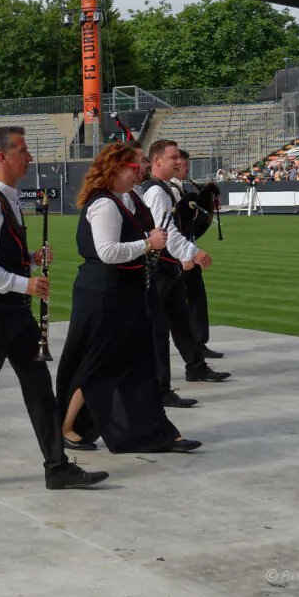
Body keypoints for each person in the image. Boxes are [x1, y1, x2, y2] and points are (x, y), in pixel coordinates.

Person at [0, 127, 108, 492]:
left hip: (13, 311)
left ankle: (57, 466)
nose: (29, 157)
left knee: (39, 388)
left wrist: (25, 260)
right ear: (3, 157)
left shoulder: (7, 199)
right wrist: (23, 282)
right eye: (23, 151)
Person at [55, 144, 201, 454]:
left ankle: (155, 432)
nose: (144, 169)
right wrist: (148, 243)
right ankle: (66, 426)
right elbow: (107, 252)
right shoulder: (106, 204)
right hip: (106, 293)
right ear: (120, 168)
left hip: (124, 291)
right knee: (98, 362)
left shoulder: (127, 198)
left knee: (136, 363)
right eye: (139, 165)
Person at [143, 140, 228, 408]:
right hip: (160, 267)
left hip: (168, 266)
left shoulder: (163, 189)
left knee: (179, 319)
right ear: (157, 161)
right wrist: (192, 253)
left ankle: (195, 366)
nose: (180, 162)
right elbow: (165, 232)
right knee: (158, 329)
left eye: (180, 157)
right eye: (174, 158)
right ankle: (160, 387)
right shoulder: (157, 192)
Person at [174, 149, 223, 361]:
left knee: (196, 298)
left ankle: (197, 347)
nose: (187, 170)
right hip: (177, 254)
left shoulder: (179, 189)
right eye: (184, 166)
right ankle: (194, 351)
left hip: (186, 249)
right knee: (185, 302)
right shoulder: (165, 191)